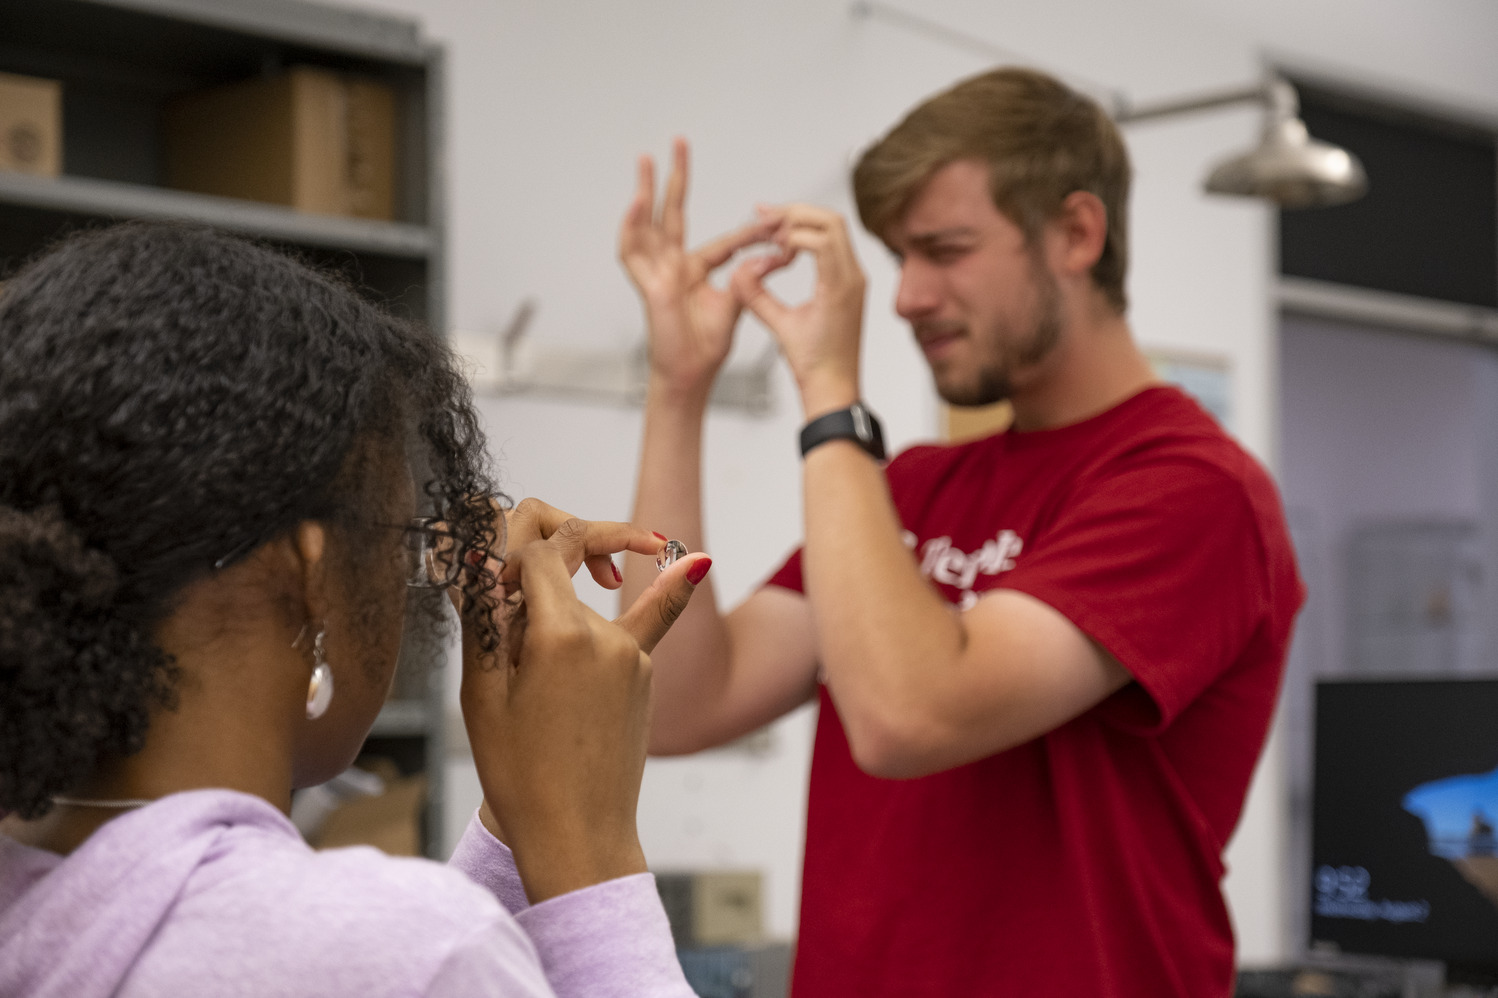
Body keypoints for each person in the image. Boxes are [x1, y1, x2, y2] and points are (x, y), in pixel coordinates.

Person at [619, 67, 1304, 997]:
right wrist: (680, 390)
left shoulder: (1194, 489)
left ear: (1076, 233)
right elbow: (676, 706)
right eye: (900, 256)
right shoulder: (908, 489)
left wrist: (833, 402)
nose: (905, 296)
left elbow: (911, 715)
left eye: (944, 250)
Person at [0, 222, 711, 997]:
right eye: (401, 538)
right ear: (312, 573)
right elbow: (403, 962)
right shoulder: (408, 950)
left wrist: (519, 821)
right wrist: (588, 848)